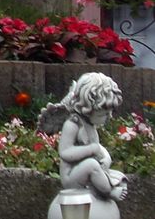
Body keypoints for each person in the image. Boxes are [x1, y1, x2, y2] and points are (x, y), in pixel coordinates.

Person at [40, 72, 128, 203]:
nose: (109, 117)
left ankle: (105, 187)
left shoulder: (90, 125)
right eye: (104, 113)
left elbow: (97, 146)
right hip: (71, 176)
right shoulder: (73, 124)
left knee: (112, 173)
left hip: (86, 173)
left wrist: (106, 157)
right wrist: (91, 149)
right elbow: (65, 152)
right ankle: (110, 191)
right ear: (88, 108)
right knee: (92, 165)